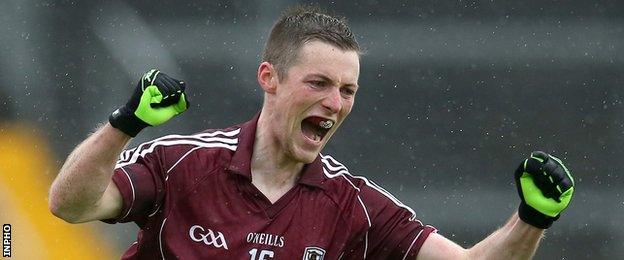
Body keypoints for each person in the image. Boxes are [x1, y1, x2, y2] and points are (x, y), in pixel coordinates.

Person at [49, 5, 575, 260]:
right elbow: (69, 205)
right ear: (269, 78)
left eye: (347, 90)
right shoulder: (182, 162)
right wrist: (126, 123)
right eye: (319, 83)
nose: (335, 103)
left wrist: (533, 219)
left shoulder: (352, 204)